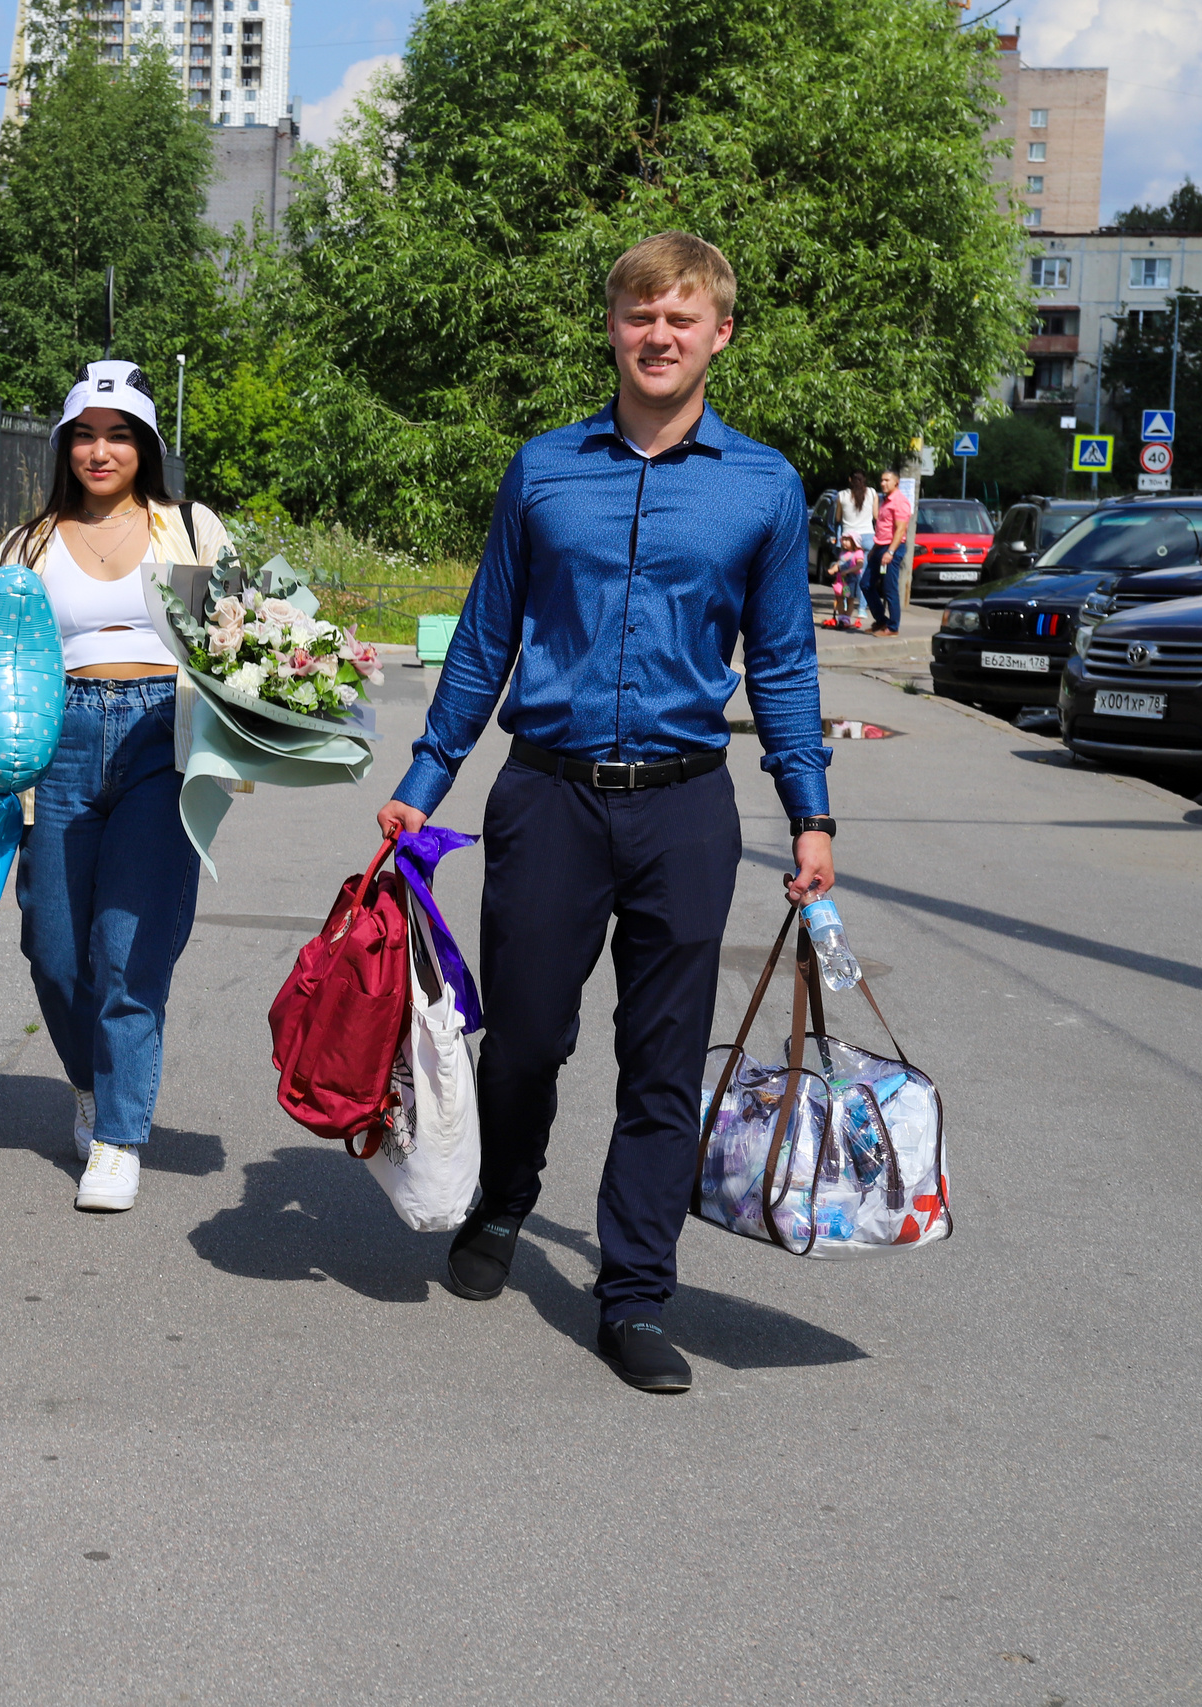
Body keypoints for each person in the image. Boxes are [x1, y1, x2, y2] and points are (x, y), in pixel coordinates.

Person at [375, 232, 836, 1396]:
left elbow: (781, 662)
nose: (660, 335)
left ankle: (633, 1292)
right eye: (641, 315)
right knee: (525, 1037)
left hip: (685, 809)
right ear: (615, 328)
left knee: (662, 1060)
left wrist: (810, 813)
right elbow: (486, 639)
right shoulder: (543, 471)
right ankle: (508, 1194)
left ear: (719, 334)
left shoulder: (763, 487)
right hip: (548, 796)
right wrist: (423, 783)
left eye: (683, 317)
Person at [0, 361, 231, 1214]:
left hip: (159, 739)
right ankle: (90, 1083)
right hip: (55, 742)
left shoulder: (189, 528)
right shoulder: (25, 544)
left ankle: (120, 1137)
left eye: (120, 432)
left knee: (127, 949)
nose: (102, 449)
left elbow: (240, 639)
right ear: (65, 445)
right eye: (85, 434)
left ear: (147, 444)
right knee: (53, 950)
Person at [864, 466, 912, 635]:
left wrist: (890, 552)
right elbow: (883, 527)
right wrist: (875, 549)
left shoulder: (900, 502)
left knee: (889, 588)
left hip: (892, 548)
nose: (883, 483)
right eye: (882, 480)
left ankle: (893, 627)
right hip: (880, 547)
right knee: (866, 584)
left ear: (896, 482)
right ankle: (881, 620)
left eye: (887, 480)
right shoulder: (885, 500)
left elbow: (900, 530)